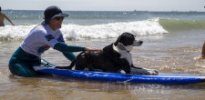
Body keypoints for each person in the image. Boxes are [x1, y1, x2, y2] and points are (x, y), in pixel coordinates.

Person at [8, 6, 99, 77]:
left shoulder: (57, 33)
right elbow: (61, 47)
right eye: (57, 18)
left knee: (53, 73)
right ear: (49, 20)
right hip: (19, 61)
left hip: (35, 60)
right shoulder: (41, 31)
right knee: (32, 77)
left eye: (62, 18)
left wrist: (78, 62)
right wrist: (84, 48)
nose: (61, 20)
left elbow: (65, 51)